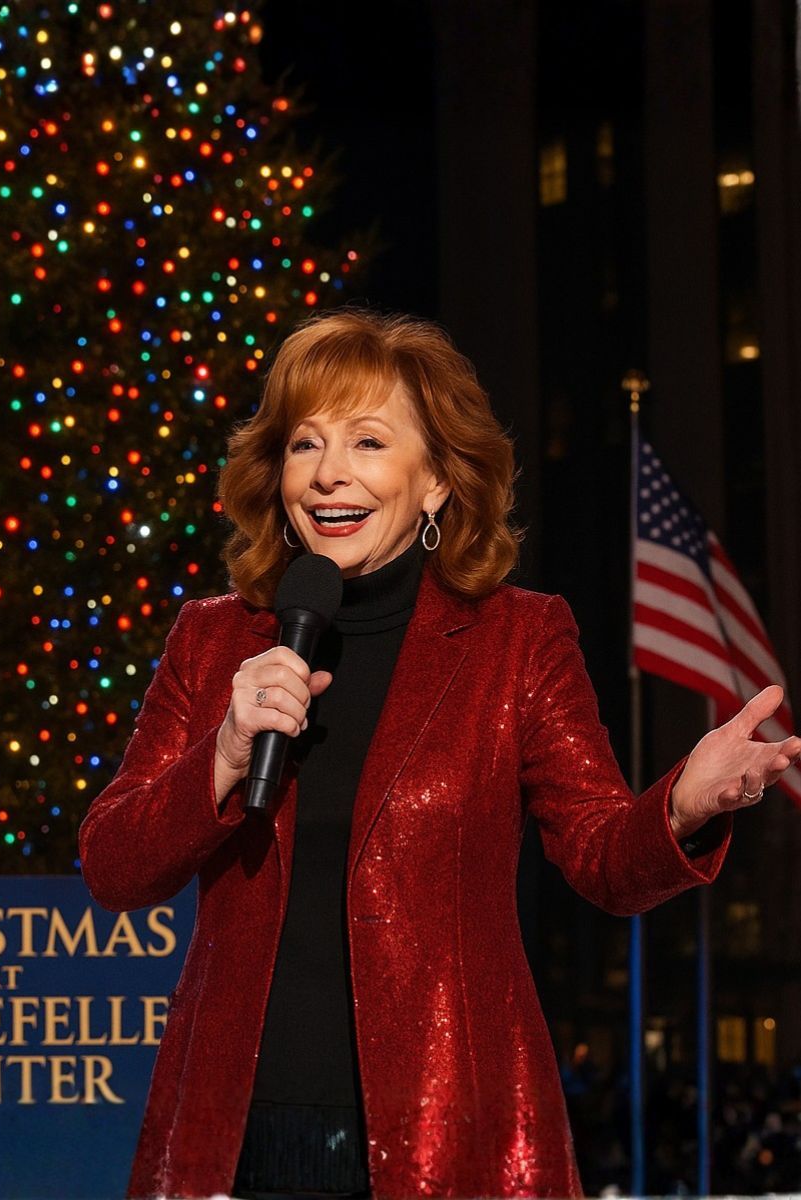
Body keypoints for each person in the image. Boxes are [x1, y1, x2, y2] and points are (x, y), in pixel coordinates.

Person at [79, 309, 800, 1200]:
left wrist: (682, 807)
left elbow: (602, 859)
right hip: (234, 1138)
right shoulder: (211, 638)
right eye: (304, 444)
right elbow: (113, 865)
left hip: (449, 1132)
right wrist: (223, 754)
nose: (328, 471)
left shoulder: (517, 640)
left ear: (434, 482)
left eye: (367, 441)